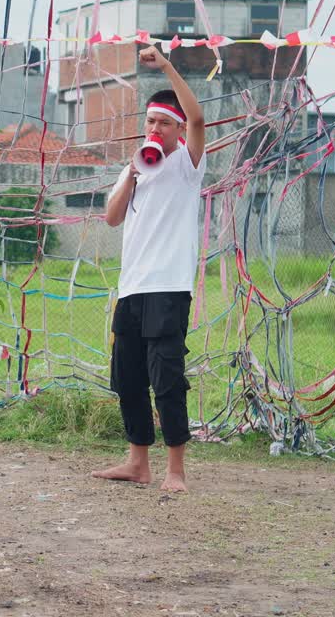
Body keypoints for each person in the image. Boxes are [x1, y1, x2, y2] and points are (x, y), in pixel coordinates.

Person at [93, 45, 207, 493]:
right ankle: (137, 462)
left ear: (177, 127)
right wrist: (134, 174)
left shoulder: (187, 163)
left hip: (169, 287)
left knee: (167, 379)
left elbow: (199, 121)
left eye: (164, 122)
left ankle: (175, 470)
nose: (155, 129)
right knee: (129, 378)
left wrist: (166, 66)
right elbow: (112, 217)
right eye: (150, 122)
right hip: (132, 289)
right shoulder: (136, 164)